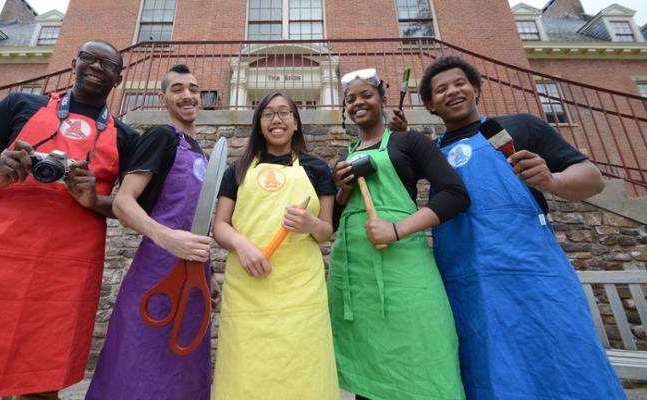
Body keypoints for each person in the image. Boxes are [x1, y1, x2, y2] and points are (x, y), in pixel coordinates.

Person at [0, 40, 138, 399]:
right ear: (74, 61)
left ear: (118, 79)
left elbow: (131, 207)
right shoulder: (20, 104)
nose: (98, 67)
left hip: (68, 267)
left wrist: (93, 198)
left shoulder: (127, 137)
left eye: (109, 64)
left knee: (40, 377)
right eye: (90, 58)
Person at [420, 55, 625, 399]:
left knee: (567, 364)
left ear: (476, 89)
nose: (452, 92)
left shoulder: (520, 127)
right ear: (429, 104)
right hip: (466, 284)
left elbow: (593, 179)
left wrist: (552, 180)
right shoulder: (432, 153)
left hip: (534, 275)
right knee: (490, 374)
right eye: (441, 90)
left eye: (459, 83)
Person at [329, 68, 469, 400]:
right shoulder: (343, 158)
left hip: (404, 269)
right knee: (369, 366)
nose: (358, 103)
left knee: (419, 353)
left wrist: (396, 229)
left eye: (366, 95)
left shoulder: (410, 142)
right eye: (350, 100)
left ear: (382, 97)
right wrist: (342, 191)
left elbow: (455, 194)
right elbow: (333, 222)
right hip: (355, 278)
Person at [86, 64, 218, 400]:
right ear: (164, 99)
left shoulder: (201, 151)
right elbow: (124, 203)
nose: (187, 95)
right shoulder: (161, 137)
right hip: (157, 269)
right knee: (139, 361)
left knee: (183, 363)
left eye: (192, 88)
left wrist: (210, 272)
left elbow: (196, 219)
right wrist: (166, 237)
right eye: (177, 89)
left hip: (194, 274)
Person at [211, 92, 340, 399]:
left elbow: (325, 230)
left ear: (296, 123)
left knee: (303, 368)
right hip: (248, 287)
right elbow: (220, 225)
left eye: (284, 113)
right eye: (268, 114)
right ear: (259, 124)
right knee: (245, 370)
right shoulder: (237, 171)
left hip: (300, 290)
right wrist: (241, 244)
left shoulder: (317, 168)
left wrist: (309, 225)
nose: (276, 119)